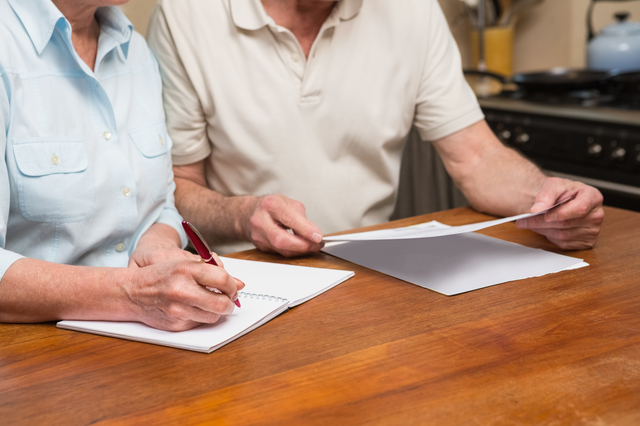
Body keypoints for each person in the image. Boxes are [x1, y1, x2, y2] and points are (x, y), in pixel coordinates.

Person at [147, 0, 604, 257]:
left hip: (376, 271)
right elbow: (179, 187)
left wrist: (550, 198)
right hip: (245, 278)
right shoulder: (185, 15)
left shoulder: (413, 11)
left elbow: (477, 157)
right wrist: (243, 216)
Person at [0, 0, 244, 331]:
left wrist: (157, 241)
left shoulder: (136, 51)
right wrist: (133, 294)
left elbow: (161, 202)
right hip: (33, 351)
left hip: (147, 339)